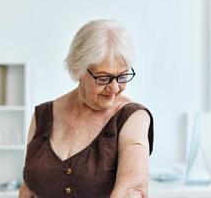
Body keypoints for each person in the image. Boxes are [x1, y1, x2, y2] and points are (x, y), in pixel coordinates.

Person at [19, 19, 154, 198]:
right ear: (79, 70)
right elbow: (28, 188)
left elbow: (132, 189)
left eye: (122, 76)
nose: (114, 88)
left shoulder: (132, 117)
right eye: (103, 78)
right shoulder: (42, 115)